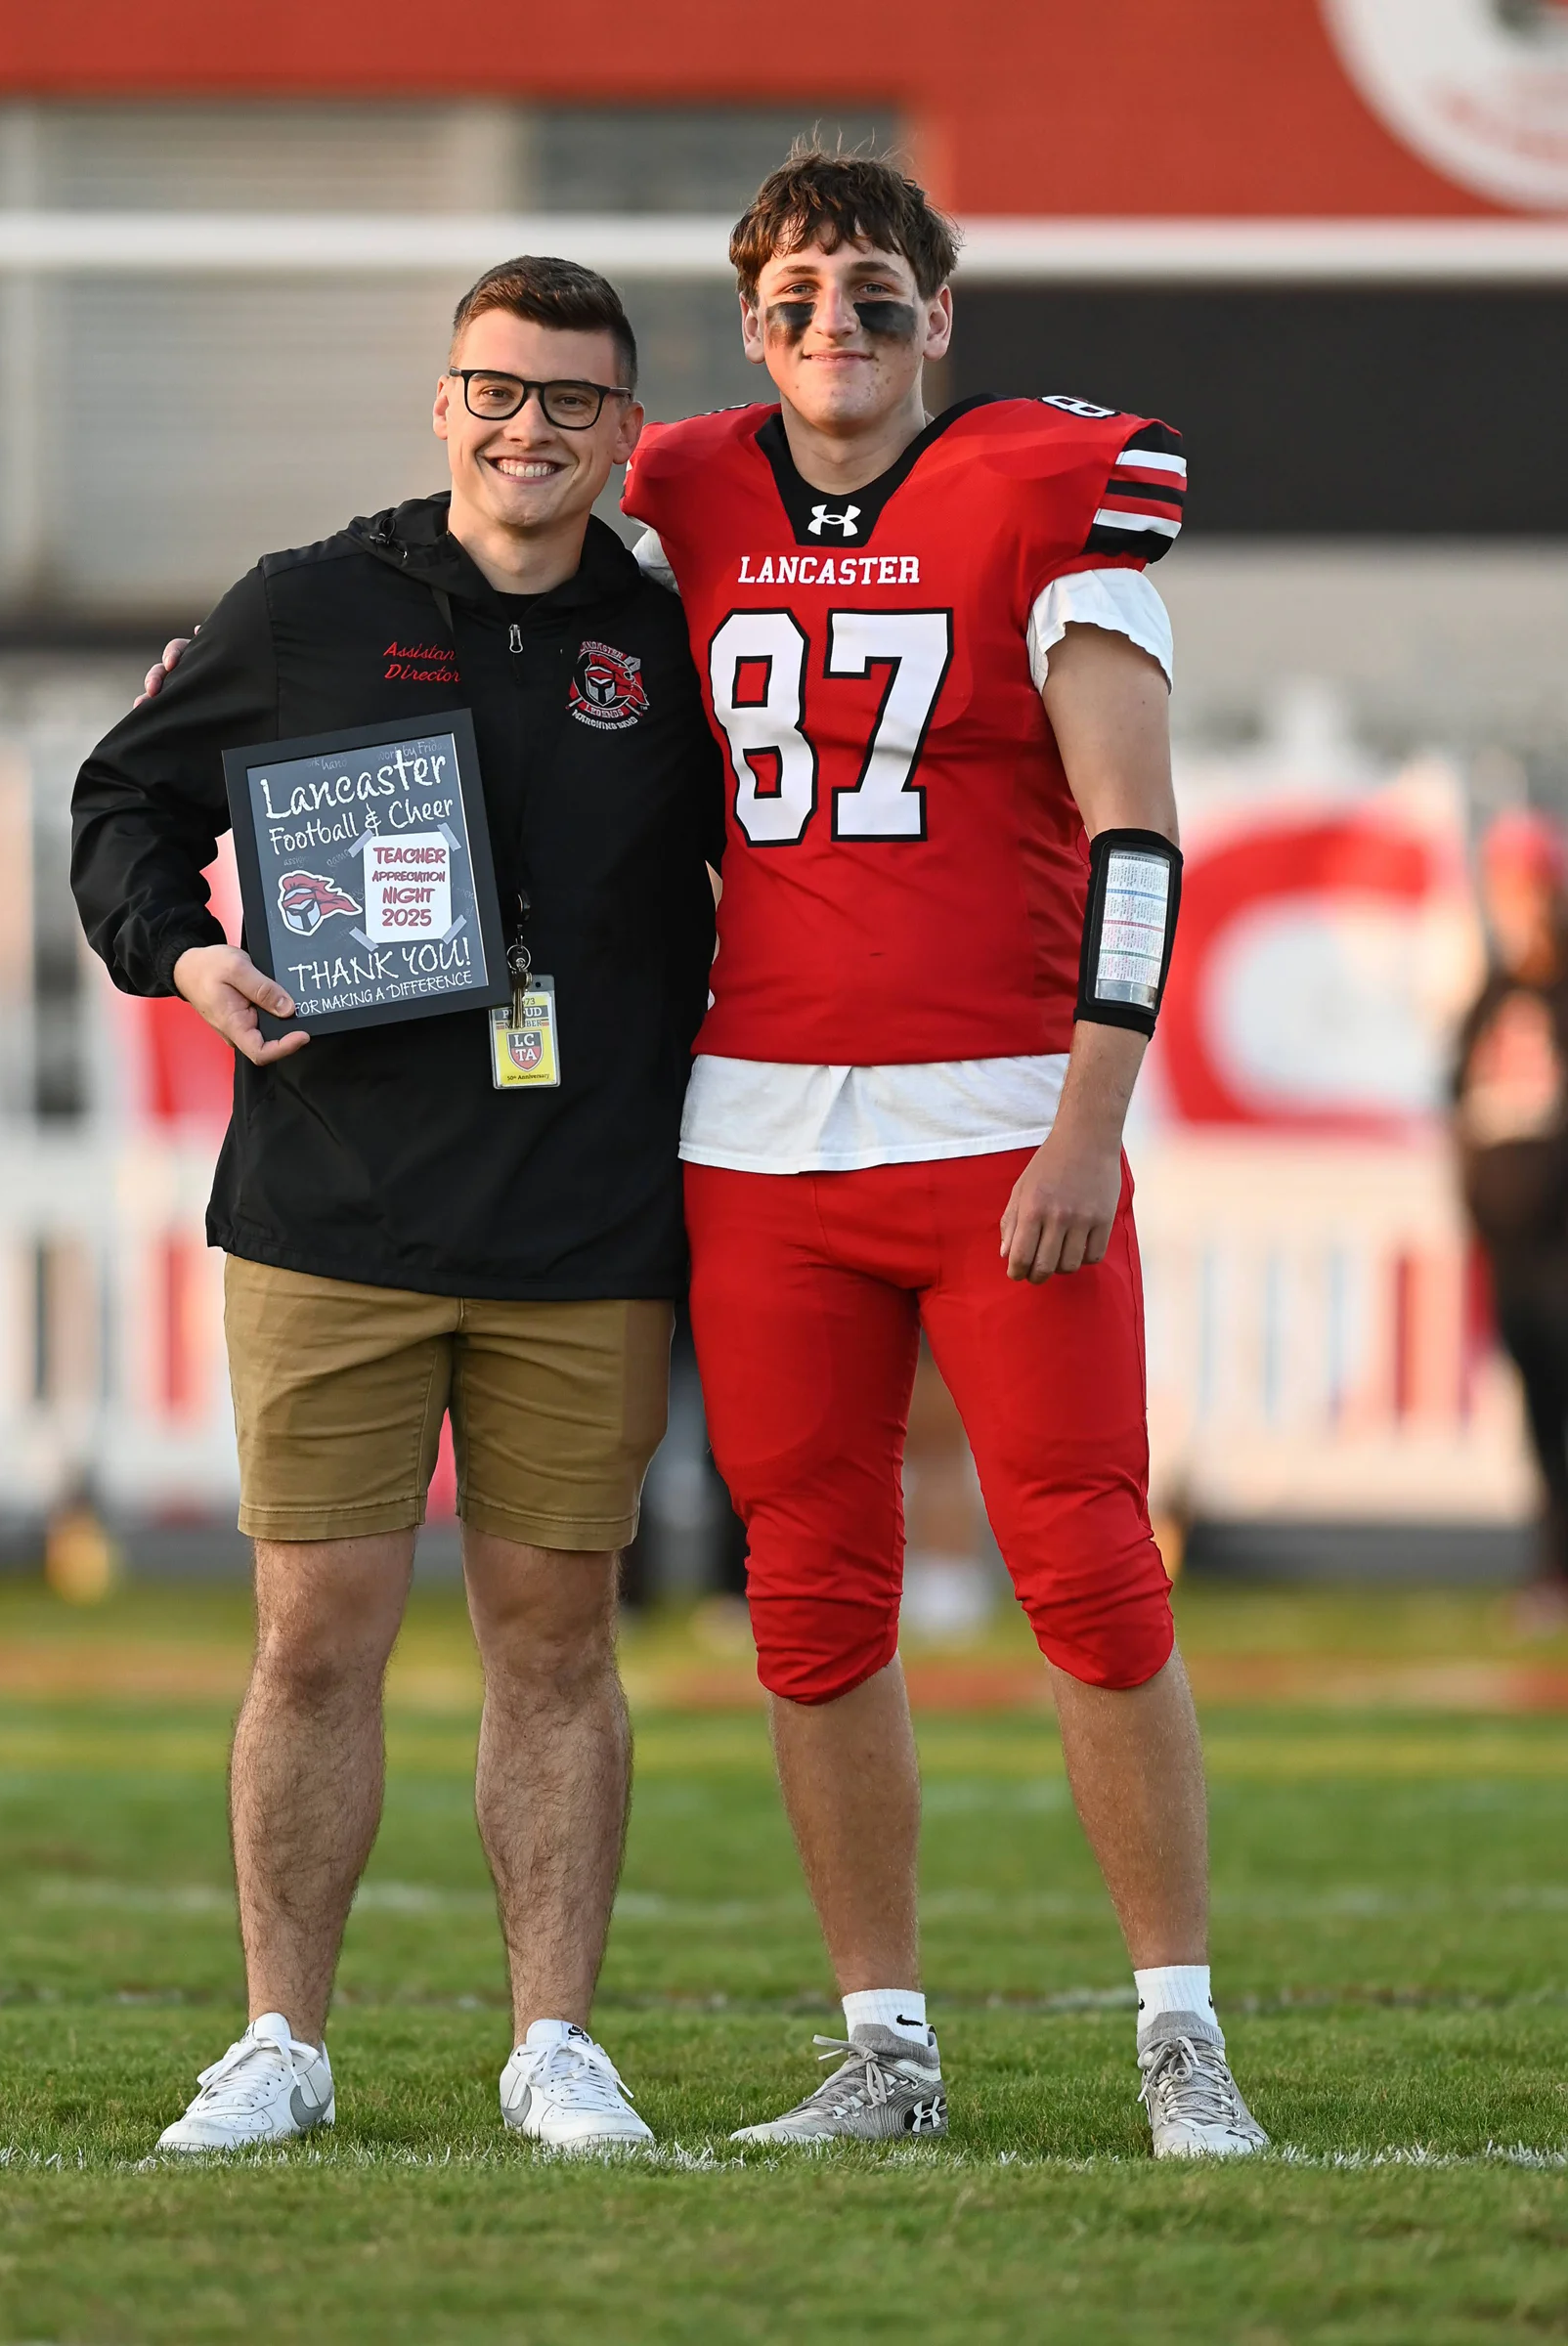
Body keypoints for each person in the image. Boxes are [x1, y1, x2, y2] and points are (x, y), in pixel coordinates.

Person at [619, 148, 1267, 2156]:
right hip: (760, 1133)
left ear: (941, 317)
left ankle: (1181, 2033)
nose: (840, 326)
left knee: (1086, 1565)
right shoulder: (685, 480)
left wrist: (1094, 1112)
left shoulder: (1042, 491)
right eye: (802, 296)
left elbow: (1138, 840)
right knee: (808, 1599)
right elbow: (486, 550)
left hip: (1001, 1122)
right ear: (750, 325)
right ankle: (884, 2049)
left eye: (880, 295)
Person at [71, 256, 721, 2154]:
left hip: (583, 1222)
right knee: (315, 1640)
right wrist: (183, 958)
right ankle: (283, 2038)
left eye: (576, 403)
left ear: (627, 432)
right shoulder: (309, 604)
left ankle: (555, 2044)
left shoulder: (675, 642)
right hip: (332, 1209)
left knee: (554, 1640)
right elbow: (126, 801)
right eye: (497, 391)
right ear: (442, 403)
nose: (533, 429)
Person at [1455, 807, 1568, 1639]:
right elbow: (1456, 1105)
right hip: (1513, 1253)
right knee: (1539, 1409)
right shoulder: (1490, 997)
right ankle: (1550, 1566)